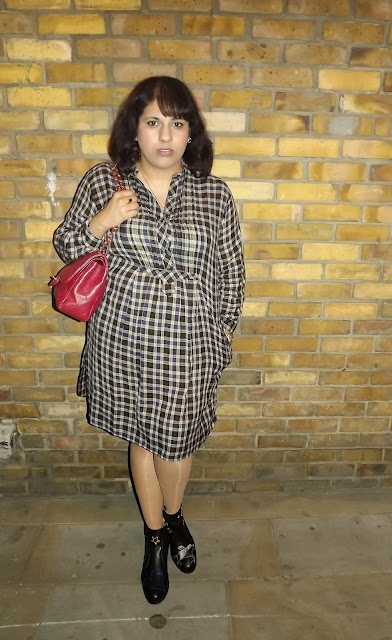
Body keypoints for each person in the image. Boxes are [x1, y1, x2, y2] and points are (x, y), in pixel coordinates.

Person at [53, 76, 245, 605]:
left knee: (176, 440)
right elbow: (67, 244)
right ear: (134, 130)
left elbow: (231, 272)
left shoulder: (213, 193)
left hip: (190, 343)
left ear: (191, 133)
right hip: (124, 338)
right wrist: (104, 219)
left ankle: (173, 514)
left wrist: (222, 332)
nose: (165, 135)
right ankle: (156, 536)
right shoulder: (104, 180)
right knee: (142, 436)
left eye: (177, 123)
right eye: (153, 122)